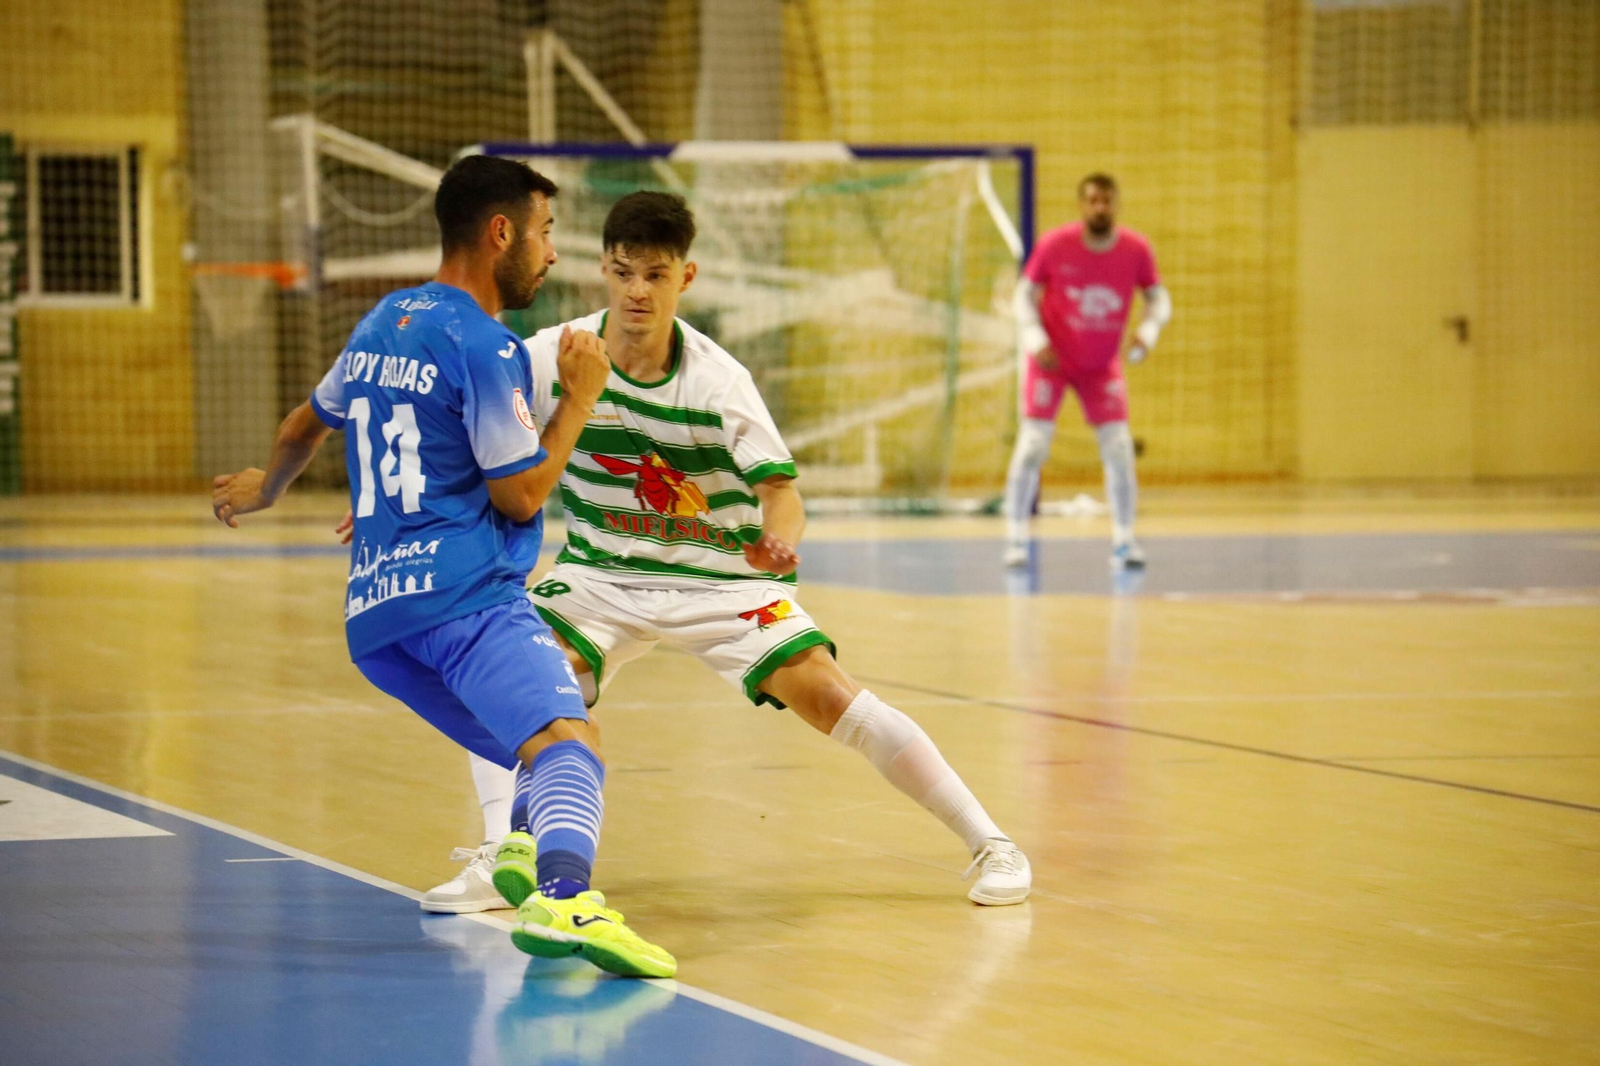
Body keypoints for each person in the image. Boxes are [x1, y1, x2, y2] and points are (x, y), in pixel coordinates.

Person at [420, 190, 1030, 912]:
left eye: (655, 275)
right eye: (624, 273)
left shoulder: (718, 380)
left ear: (686, 277)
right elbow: (460, 426)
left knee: (831, 697)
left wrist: (781, 539)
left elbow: (783, 494)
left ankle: (993, 843)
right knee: (511, 678)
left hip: (721, 582)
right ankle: (502, 853)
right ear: (604, 272)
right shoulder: (554, 355)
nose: (638, 291)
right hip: (600, 576)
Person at [210, 155, 675, 978]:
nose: (551, 253)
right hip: (466, 597)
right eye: (544, 233)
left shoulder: (382, 321)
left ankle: (523, 852)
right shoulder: (485, 345)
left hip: (378, 622)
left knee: (545, 741)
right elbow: (520, 497)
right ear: (500, 233)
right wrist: (579, 399)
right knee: (570, 744)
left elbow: (300, 427)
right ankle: (565, 901)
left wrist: (267, 489)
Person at [1001, 173, 1172, 570]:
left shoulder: (1135, 249)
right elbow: (1023, 295)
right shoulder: (1055, 245)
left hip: (1101, 364)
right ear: (1081, 205)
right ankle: (1015, 538)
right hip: (1051, 361)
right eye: (1092, 200)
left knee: (1119, 449)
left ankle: (1125, 541)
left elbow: (1158, 297)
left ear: (1116, 205)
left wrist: (1147, 332)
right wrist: (1034, 339)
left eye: (1107, 200)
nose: (1100, 207)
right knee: (1032, 445)